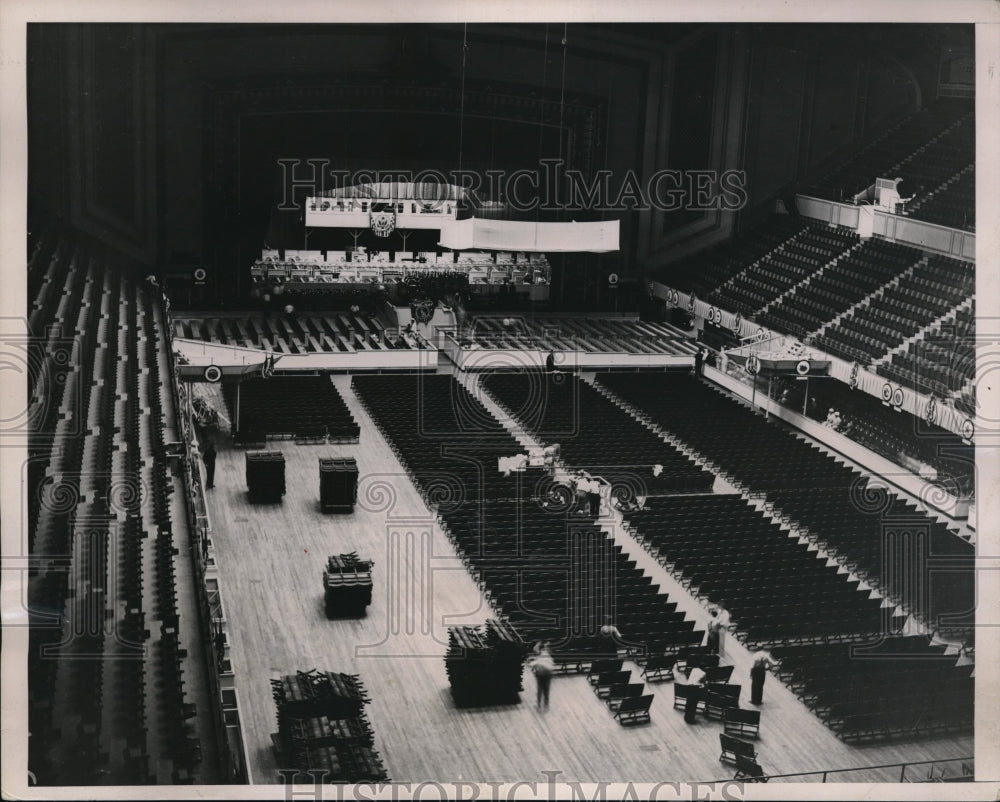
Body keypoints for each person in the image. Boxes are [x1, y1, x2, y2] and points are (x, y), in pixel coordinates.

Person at [530, 643, 555, 710]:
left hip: (541, 673)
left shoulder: (540, 654)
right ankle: (546, 704)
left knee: (540, 689)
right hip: (548, 672)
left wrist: (534, 670)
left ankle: (538, 703)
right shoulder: (548, 654)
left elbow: (534, 664)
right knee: (546, 689)